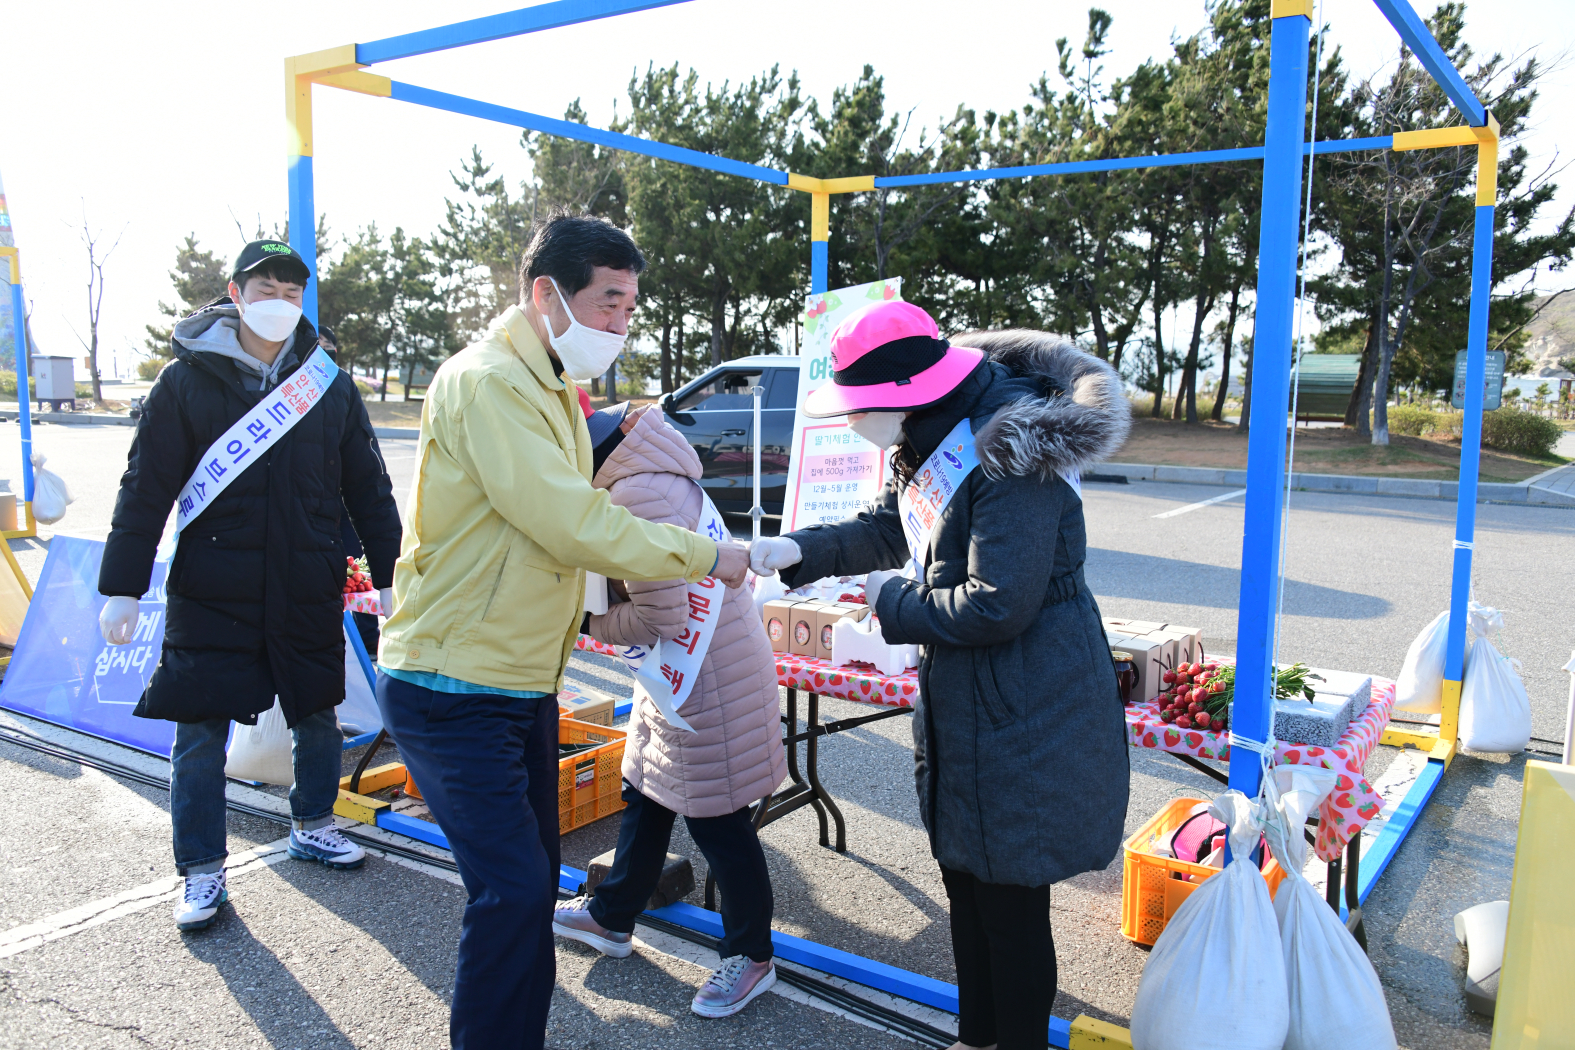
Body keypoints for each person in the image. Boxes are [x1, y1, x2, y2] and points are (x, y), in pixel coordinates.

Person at [374, 214, 751, 1050]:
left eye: (629, 306)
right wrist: (708, 555)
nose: (621, 324)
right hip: (450, 683)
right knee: (511, 892)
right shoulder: (488, 381)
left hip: (517, 682)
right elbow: (567, 521)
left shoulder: (547, 384)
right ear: (546, 295)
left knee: (530, 884)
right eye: (609, 303)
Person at [749, 300, 1131, 1050]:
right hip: (976, 700)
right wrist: (797, 552)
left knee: (1010, 901)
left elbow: (997, 605)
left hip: (1028, 702)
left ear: (903, 396)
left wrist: (889, 599)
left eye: (860, 408)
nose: (854, 422)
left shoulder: (1008, 446)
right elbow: (892, 526)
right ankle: (976, 1036)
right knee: (966, 877)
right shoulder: (942, 428)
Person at [97, 239, 401, 931]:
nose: (280, 304)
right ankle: (202, 871)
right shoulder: (185, 382)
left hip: (305, 581)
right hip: (211, 589)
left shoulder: (327, 383)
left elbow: (369, 488)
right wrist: (122, 583)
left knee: (317, 712)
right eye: (266, 289)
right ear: (234, 294)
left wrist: (389, 576)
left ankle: (313, 824)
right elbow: (145, 488)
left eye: (293, 293)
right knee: (199, 730)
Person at [553, 403, 786, 1018]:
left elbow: (664, 618)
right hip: (691, 673)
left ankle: (752, 956)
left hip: (704, 680)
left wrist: (588, 621)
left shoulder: (633, 499)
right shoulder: (658, 474)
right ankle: (611, 916)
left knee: (717, 820)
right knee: (647, 792)